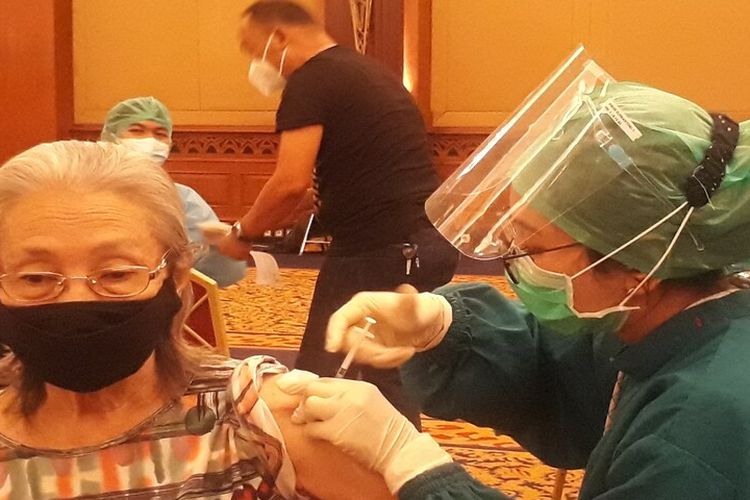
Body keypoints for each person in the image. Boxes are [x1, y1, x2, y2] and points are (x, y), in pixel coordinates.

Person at [279, 79, 750, 498]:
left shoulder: (699, 433)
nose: (514, 253)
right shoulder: (664, 320)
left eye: (533, 244)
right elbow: (569, 379)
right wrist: (440, 327)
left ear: (639, 272)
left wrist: (410, 463)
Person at [0, 140, 393, 499]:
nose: (77, 298)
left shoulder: (259, 420)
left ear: (178, 274)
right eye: (36, 278)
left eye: (117, 274)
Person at [211, 0, 458, 427]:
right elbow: (352, 172)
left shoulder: (311, 81)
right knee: (385, 374)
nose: (257, 64)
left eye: (256, 50)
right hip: (422, 242)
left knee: (320, 380)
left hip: (379, 252)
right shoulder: (367, 71)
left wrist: (242, 232)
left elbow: (290, 183)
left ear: (280, 37)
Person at [101, 96, 248, 287]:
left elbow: (220, 277)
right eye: (137, 131)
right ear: (111, 136)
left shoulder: (183, 199)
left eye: (160, 134)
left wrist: (220, 249)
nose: (150, 140)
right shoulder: (84, 190)